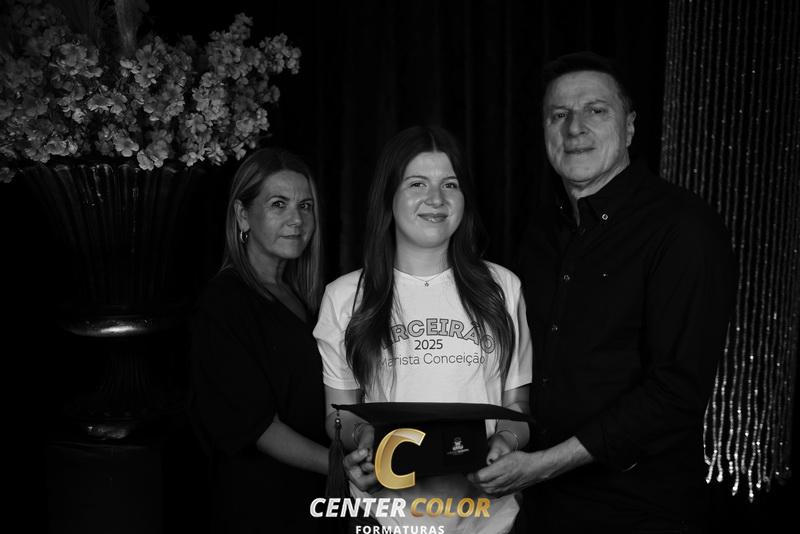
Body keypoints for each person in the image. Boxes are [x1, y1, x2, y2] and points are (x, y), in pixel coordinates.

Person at [469, 52, 738, 532]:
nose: (575, 128)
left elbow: (676, 391)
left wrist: (545, 464)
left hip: (639, 511)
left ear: (629, 127)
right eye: (559, 114)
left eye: (596, 110)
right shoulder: (538, 234)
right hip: (539, 509)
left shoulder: (682, 228)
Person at [314, 125, 533, 534]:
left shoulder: (503, 288)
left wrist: (506, 442)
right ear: (388, 196)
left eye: (450, 184)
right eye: (417, 183)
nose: (436, 199)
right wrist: (364, 439)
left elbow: (516, 407)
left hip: (487, 519)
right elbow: (337, 416)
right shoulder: (345, 297)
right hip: (389, 517)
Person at [189, 147, 329, 533]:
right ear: (242, 214)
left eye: (305, 206)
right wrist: (340, 468)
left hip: (311, 499)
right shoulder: (223, 304)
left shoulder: (302, 296)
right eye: (278, 204)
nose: (296, 220)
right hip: (260, 506)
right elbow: (257, 426)